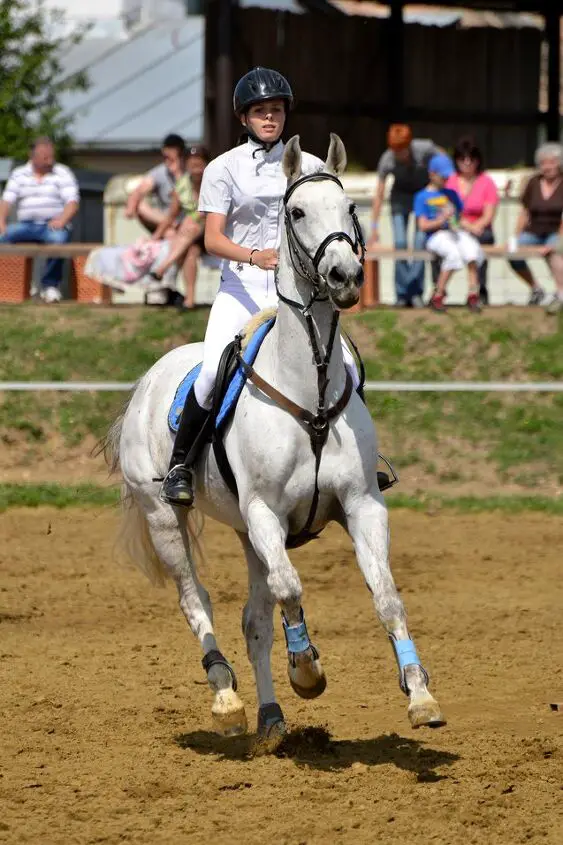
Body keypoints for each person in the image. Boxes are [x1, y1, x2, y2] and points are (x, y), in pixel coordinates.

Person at [160, 67, 359, 507]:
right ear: (244, 117)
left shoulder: (310, 166)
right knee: (213, 371)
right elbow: (211, 239)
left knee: (348, 367)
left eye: (276, 110)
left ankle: (360, 463)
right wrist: (254, 256)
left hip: (299, 291)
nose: (270, 118)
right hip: (242, 287)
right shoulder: (221, 168)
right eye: (260, 111)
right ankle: (181, 465)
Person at [369, 124, 442, 307]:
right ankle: (402, 294)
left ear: (409, 145)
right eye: (395, 150)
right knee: (400, 244)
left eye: (402, 150)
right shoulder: (387, 159)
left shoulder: (424, 148)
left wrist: (440, 185)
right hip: (400, 200)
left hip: (422, 199)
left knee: (419, 243)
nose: (398, 154)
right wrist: (374, 228)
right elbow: (379, 194)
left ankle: (415, 292)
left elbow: (443, 159)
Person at [0, 137, 79, 303]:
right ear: (33, 156)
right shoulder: (19, 173)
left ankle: (50, 286)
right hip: (25, 226)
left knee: (59, 240)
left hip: (52, 225)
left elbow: (72, 202)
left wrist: (62, 220)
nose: (50, 160)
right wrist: (1, 222)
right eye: (45, 157)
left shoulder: (62, 173)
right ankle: (8, 286)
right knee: (2, 238)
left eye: (51, 156)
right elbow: (6, 201)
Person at [414, 154, 484, 313]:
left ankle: (473, 294)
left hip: (454, 232)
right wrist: (441, 220)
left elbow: (459, 220)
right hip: (435, 236)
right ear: (432, 174)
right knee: (453, 254)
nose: (446, 179)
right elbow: (423, 225)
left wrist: (472, 227)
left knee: (472, 250)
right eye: (442, 175)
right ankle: (438, 294)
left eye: (447, 175)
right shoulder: (422, 196)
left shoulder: (452, 194)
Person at [150, 145, 210, 309]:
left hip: (213, 231)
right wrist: (156, 236)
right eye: (192, 164)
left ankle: (163, 267)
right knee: (190, 251)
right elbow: (171, 215)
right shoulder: (182, 186)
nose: (196, 168)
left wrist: (197, 217)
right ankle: (189, 300)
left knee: (192, 223)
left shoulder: (213, 181)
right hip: (193, 236)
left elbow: (214, 211)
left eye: (199, 163)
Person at [508, 142, 563, 314]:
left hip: (556, 231)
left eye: (552, 162)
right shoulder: (533, 183)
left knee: (555, 252)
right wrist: (515, 237)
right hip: (533, 232)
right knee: (512, 254)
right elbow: (524, 212)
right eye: (544, 163)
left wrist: (558, 240)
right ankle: (536, 288)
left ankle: (560, 293)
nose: (548, 167)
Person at [446, 136, 499, 304]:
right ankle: (439, 291)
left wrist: (477, 226)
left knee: (480, 244)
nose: (467, 162)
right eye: (462, 158)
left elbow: (489, 213)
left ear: (478, 160)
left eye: (471, 158)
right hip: (458, 227)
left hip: (480, 229)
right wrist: (467, 226)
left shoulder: (487, 182)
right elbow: (449, 212)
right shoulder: (451, 182)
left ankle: (478, 290)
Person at [124, 133, 186, 233]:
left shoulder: (190, 172)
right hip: (166, 221)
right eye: (165, 157)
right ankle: (171, 227)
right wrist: (130, 207)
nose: (168, 161)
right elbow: (139, 191)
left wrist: (178, 174)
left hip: (187, 220)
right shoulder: (160, 172)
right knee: (141, 206)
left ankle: (170, 229)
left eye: (171, 158)